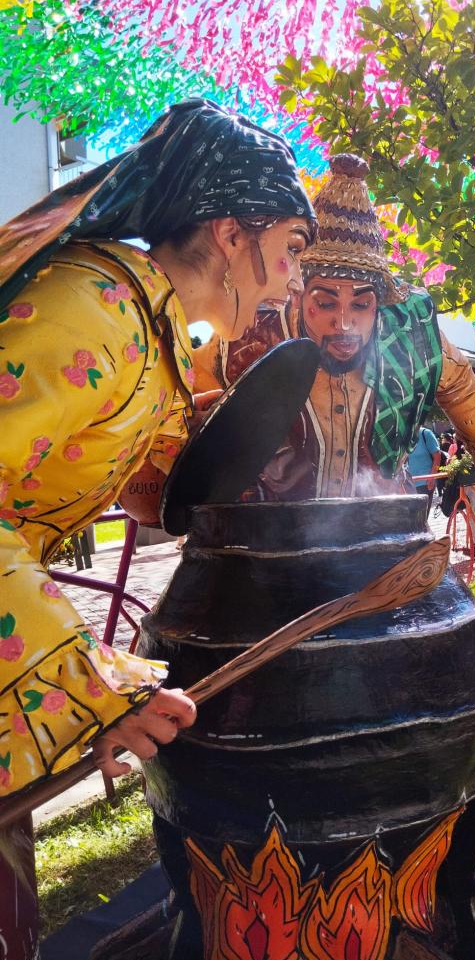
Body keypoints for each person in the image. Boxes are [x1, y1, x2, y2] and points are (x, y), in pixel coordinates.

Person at [0, 99, 316, 799]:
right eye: (292, 249)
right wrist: (98, 684)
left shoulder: (150, 334)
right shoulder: (92, 311)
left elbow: (149, 497)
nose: (293, 281)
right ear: (232, 232)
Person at [193, 154, 475, 505]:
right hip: (266, 530)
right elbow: (183, 407)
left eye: (361, 305)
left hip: (382, 522)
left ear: (378, 303)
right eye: (327, 303)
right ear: (298, 294)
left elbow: (458, 384)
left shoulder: (413, 337)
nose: (344, 324)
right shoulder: (242, 334)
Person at [407, 425, 441, 515]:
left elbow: (437, 456)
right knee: (411, 518)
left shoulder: (425, 433)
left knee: (422, 517)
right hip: (409, 484)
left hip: (425, 483)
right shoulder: (404, 436)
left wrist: (432, 477)